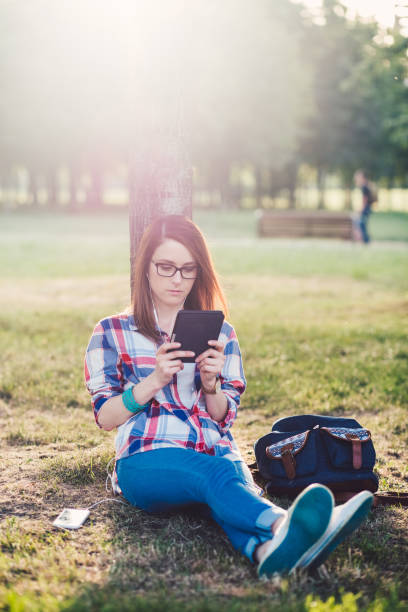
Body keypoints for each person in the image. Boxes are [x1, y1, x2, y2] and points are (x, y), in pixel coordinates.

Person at [84, 215, 373, 577]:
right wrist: (154, 380)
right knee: (221, 478)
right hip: (148, 461)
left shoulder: (222, 333)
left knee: (225, 495)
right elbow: (105, 417)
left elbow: (222, 416)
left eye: (188, 270)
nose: (177, 279)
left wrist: (210, 384)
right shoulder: (111, 331)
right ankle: (287, 525)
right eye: (166, 267)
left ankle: (268, 551)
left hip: (215, 448)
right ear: (145, 269)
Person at [354, 170, 376, 244]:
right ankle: (365, 239)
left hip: (365, 209)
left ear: (362, 178)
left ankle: (366, 240)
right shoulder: (367, 186)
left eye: (358, 177)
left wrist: (361, 209)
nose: (356, 179)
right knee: (363, 224)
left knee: (362, 223)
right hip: (368, 208)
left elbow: (365, 199)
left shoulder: (364, 187)